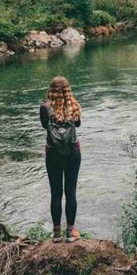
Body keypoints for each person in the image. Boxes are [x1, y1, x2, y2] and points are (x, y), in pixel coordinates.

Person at [40, 76, 82, 243]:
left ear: (51, 90)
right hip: (73, 153)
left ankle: (56, 234)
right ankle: (70, 233)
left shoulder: (45, 107)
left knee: (55, 193)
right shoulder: (74, 106)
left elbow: (45, 126)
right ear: (68, 89)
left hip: (53, 154)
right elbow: (77, 125)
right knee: (70, 192)